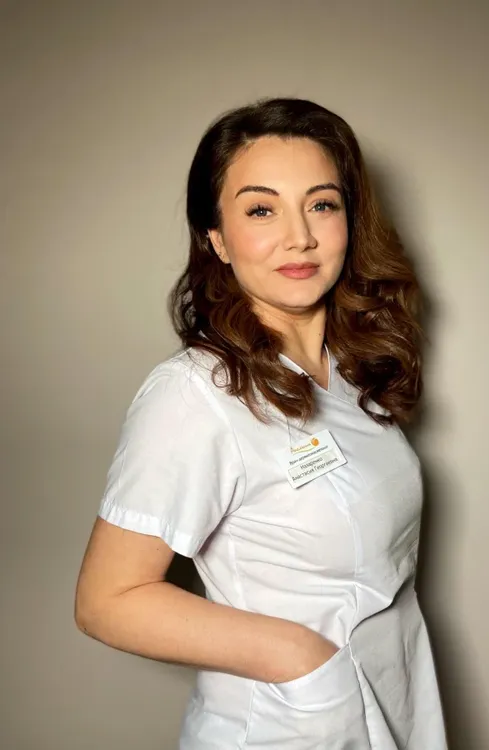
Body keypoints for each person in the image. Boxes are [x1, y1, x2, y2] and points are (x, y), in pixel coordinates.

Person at [75, 97, 448, 749]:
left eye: (322, 204)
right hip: (290, 724)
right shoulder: (195, 394)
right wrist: (300, 657)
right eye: (261, 209)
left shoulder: (349, 370)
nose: (299, 236)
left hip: (392, 699)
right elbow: (108, 599)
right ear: (216, 237)